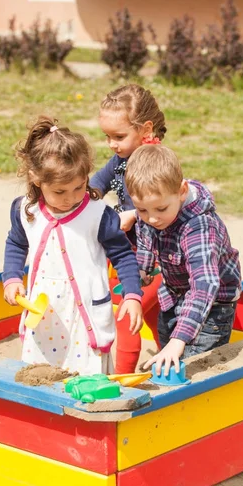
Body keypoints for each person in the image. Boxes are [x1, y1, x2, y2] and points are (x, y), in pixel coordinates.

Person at [2, 116, 143, 375]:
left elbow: (123, 255)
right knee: (41, 375)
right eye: (59, 191)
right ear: (36, 178)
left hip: (84, 318)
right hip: (44, 317)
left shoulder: (97, 215)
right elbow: (16, 243)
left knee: (87, 377)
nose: (71, 198)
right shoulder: (26, 210)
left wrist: (132, 294)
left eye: (79, 187)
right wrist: (11, 278)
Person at [125, 144, 242, 376]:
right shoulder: (152, 216)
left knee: (195, 369)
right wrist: (139, 275)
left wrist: (179, 340)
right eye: (141, 210)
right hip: (174, 295)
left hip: (213, 307)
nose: (152, 218)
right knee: (168, 358)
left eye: (160, 208)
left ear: (182, 191)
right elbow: (147, 242)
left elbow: (204, 284)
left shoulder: (198, 226)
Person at [90, 84, 166, 374]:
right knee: (153, 315)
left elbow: (164, 203)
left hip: (157, 255)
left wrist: (133, 213)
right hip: (131, 253)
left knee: (127, 312)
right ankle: (170, 356)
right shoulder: (120, 161)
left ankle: (121, 378)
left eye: (119, 136)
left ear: (145, 129)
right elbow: (96, 184)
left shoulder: (157, 162)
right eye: (107, 137)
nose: (112, 144)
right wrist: (81, 199)